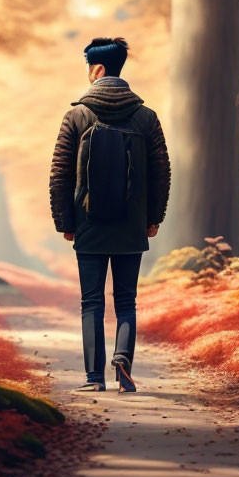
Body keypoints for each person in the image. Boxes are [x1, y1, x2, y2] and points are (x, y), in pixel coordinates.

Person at [49, 38, 170, 393]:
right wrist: (154, 218)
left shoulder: (76, 116)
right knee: (126, 301)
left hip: (89, 223)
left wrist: (65, 223)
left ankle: (92, 377)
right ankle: (123, 360)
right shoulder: (146, 117)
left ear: (97, 70)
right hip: (132, 224)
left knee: (91, 301)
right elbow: (161, 171)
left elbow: (60, 174)